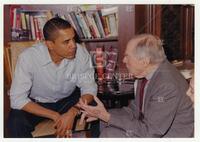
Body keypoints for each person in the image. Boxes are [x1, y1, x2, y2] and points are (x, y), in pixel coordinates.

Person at [79, 34, 194, 137]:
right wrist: (102, 114)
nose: (123, 60)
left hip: (168, 136)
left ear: (144, 61)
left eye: (127, 56)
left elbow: (151, 132)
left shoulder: (167, 85)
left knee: (110, 133)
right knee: (103, 124)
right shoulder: (144, 74)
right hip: (150, 128)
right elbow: (135, 110)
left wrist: (108, 117)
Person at [7, 17, 97, 138]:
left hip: (69, 100)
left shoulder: (81, 53)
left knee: (96, 107)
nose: (73, 45)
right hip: (38, 104)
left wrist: (73, 111)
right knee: (15, 121)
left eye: (73, 39)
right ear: (50, 44)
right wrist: (55, 116)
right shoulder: (28, 58)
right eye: (66, 42)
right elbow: (17, 99)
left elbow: (89, 88)